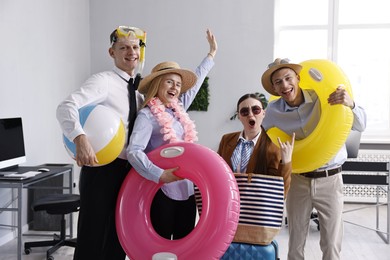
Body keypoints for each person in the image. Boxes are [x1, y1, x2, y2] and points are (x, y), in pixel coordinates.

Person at [261, 58, 367, 260]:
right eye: (278, 82)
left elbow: (361, 126)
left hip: (330, 179)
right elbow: (256, 134)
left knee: (331, 245)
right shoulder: (273, 111)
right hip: (299, 179)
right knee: (295, 244)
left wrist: (350, 104)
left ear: (298, 78)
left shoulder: (326, 98)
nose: (284, 85)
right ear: (274, 88)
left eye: (288, 78)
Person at [56, 26, 146, 260]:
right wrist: (80, 138)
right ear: (111, 52)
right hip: (101, 168)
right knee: (92, 236)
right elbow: (66, 106)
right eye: (123, 47)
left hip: (128, 171)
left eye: (135, 47)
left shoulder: (139, 93)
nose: (131, 52)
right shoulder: (103, 81)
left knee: (118, 236)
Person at [127, 29, 217, 240]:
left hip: (186, 188)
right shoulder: (148, 116)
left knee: (185, 241)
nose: (175, 88)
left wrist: (211, 54)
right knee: (162, 243)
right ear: (158, 84)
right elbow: (134, 151)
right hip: (161, 190)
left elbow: (196, 83)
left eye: (178, 84)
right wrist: (160, 175)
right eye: (169, 82)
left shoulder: (179, 108)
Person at [217, 93, 295, 197]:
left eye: (256, 110)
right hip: (229, 202)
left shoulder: (273, 148)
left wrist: (286, 162)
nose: (250, 114)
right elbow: (218, 173)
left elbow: (280, 193)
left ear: (263, 113)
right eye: (244, 111)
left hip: (255, 207)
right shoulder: (226, 140)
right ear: (239, 116)